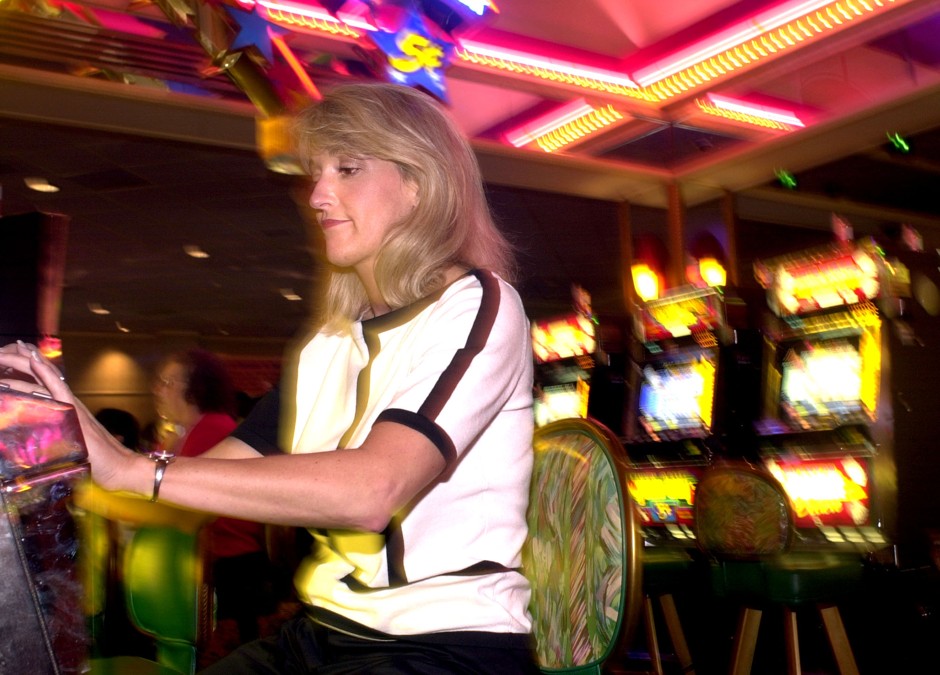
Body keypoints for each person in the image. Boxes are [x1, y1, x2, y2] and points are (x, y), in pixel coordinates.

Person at [0, 82, 537, 674]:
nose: (318, 194)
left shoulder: (478, 304)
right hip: (321, 633)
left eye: (347, 169)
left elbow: (372, 492)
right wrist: (56, 434)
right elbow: (210, 478)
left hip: (446, 642)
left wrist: (133, 468)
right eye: (315, 172)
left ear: (419, 183)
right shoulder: (327, 343)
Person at [152, 349, 274, 657]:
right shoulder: (182, 432)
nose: (159, 389)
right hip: (207, 560)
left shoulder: (215, 430)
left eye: (169, 381)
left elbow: (181, 510)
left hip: (229, 565)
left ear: (196, 387)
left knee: (224, 654)